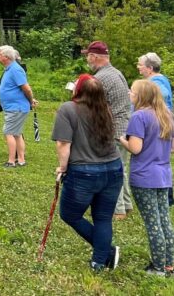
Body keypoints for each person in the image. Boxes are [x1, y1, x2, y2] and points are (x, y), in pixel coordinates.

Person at [51, 74, 124, 272]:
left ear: (78, 90)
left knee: (69, 214)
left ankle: (106, 252)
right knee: (102, 218)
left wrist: (62, 168)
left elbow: (63, 143)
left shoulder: (68, 109)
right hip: (114, 169)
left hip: (84, 172)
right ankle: (99, 261)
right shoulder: (105, 110)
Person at [119, 79, 174, 277]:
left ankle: (158, 268)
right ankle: (169, 266)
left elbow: (135, 148)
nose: (130, 94)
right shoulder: (168, 115)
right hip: (163, 176)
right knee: (165, 221)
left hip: (144, 177)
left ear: (140, 96)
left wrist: (122, 140)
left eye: (132, 92)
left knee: (152, 223)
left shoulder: (139, 117)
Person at [81, 40, 133, 219]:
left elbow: (94, 106)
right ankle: (126, 205)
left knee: (112, 173)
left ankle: (117, 210)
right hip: (125, 128)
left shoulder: (101, 78)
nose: (87, 59)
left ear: (94, 57)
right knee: (121, 169)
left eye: (88, 56)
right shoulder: (116, 73)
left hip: (114, 131)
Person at [0, 45, 37, 167]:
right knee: (17, 134)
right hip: (14, 107)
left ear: (6, 57)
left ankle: (11, 161)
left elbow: (26, 89)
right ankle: (21, 160)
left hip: (16, 108)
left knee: (8, 132)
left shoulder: (16, 69)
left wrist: (30, 101)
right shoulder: (9, 68)